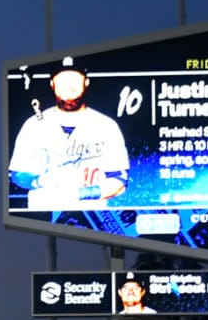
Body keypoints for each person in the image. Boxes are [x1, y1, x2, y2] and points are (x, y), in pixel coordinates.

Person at [8, 60, 129, 210]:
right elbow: (17, 175)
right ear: (52, 83)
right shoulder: (33, 125)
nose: (68, 86)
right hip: (42, 218)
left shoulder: (106, 126)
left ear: (86, 82)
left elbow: (119, 181)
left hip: (92, 219)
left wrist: (81, 193)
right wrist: (40, 181)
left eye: (75, 79)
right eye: (62, 79)